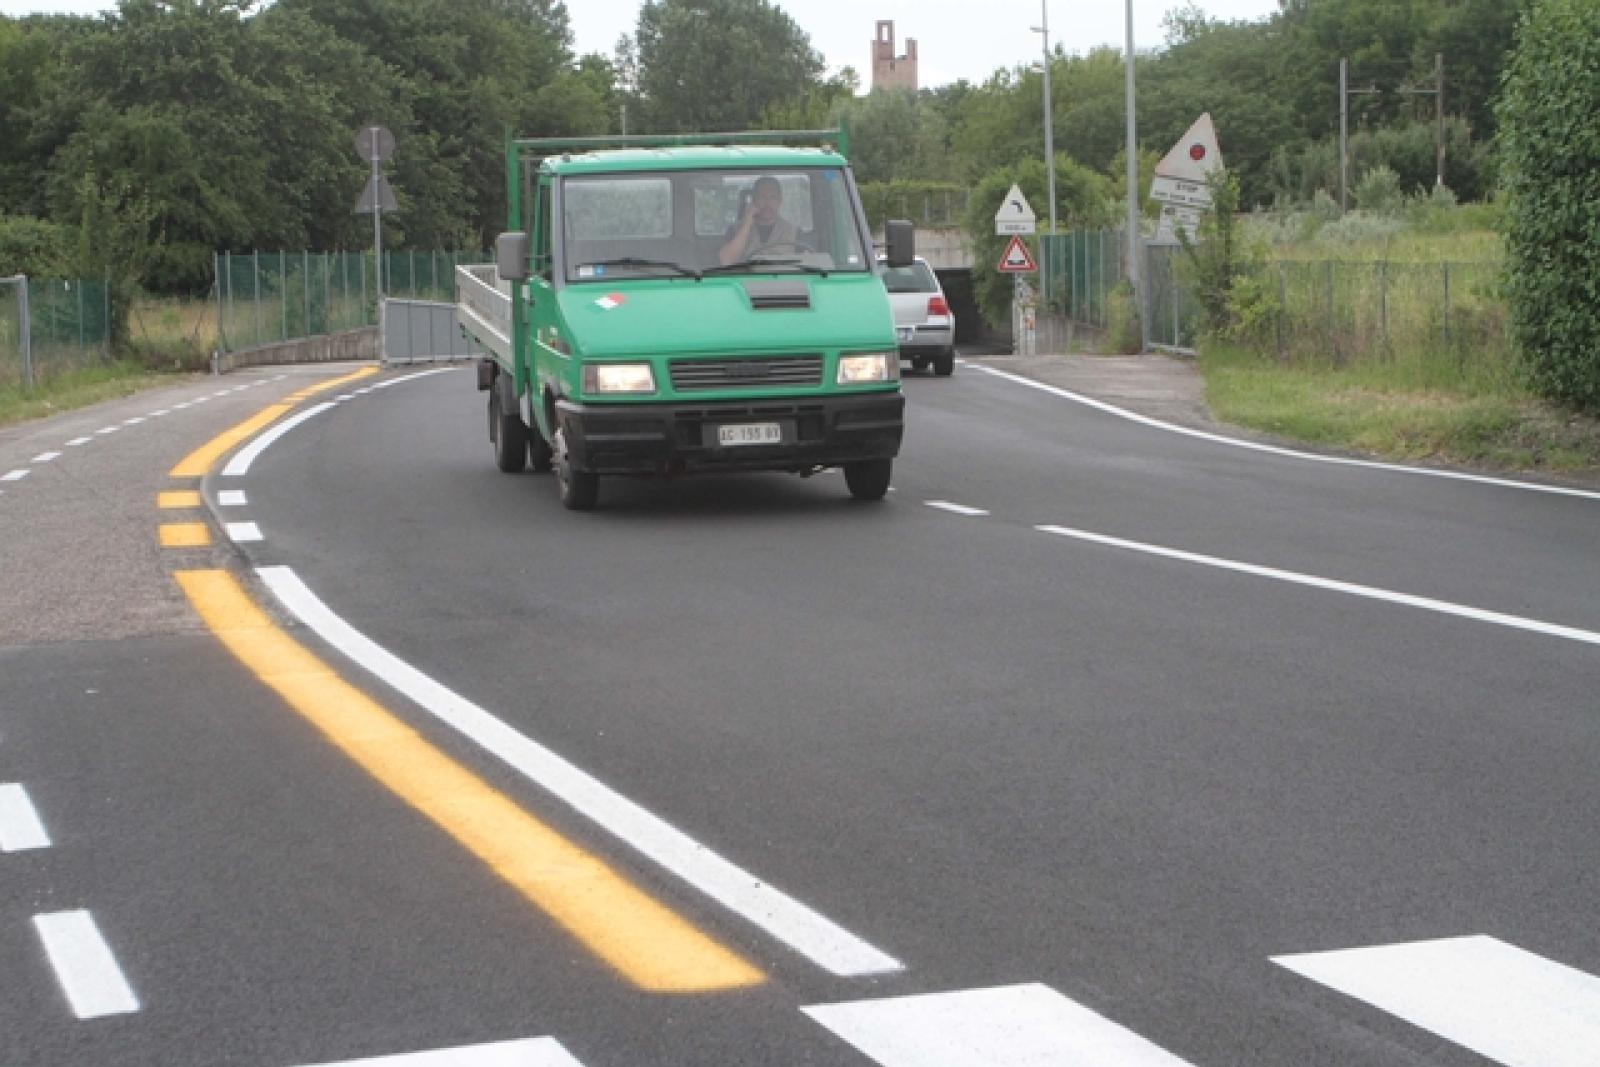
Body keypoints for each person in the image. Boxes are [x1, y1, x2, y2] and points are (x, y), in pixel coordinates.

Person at [718, 176, 800, 265]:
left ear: (780, 201)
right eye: (762, 197)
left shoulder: (795, 232)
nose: (767, 203)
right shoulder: (734, 230)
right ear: (754, 199)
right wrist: (747, 223)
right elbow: (726, 261)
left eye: (772, 197)